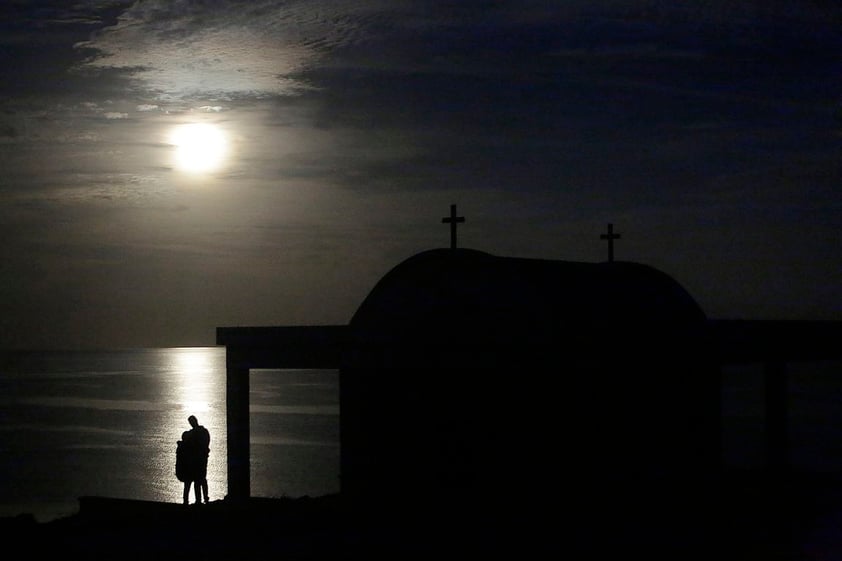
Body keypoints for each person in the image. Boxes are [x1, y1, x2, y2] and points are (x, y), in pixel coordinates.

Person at [176, 415, 211, 505]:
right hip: (197, 461)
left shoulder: (197, 433)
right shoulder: (203, 432)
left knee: (197, 481)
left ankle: (198, 500)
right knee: (199, 481)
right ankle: (199, 500)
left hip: (197, 461)